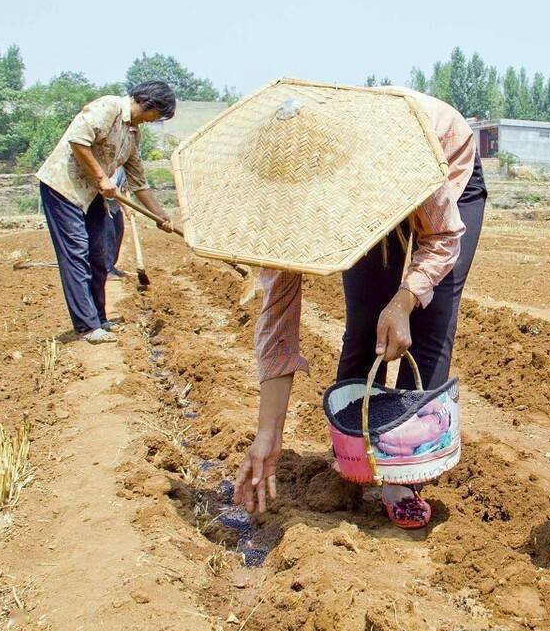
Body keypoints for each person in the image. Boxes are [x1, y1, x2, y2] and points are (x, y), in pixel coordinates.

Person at [232, 87, 486, 529]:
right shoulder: (285, 207)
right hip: (369, 186)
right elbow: (278, 318)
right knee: (365, 323)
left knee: (429, 322)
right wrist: (268, 433)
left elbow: (442, 238)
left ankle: (404, 473)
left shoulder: (397, 151)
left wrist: (405, 300)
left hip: (443, 161)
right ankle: (353, 456)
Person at [36, 82, 178, 343]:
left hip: (93, 194)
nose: (153, 121)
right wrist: (102, 178)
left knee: (100, 255)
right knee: (76, 252)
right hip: (64, 189)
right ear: (149, 104)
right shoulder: (108, 107)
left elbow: (138, 182)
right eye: (157, 115)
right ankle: (86, 327)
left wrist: (160, 215)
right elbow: (78, 140)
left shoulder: (133, 134)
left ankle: (99, 318)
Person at [104, 167, 128, 280]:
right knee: (109, 234)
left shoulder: (126, 167)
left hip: (115, 206)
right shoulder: (113, 166)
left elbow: (126, 188)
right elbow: (111, 188)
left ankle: (111, 266)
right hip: (103, 203)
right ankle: (106, 270)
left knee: (119, 230)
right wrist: (126, 207)